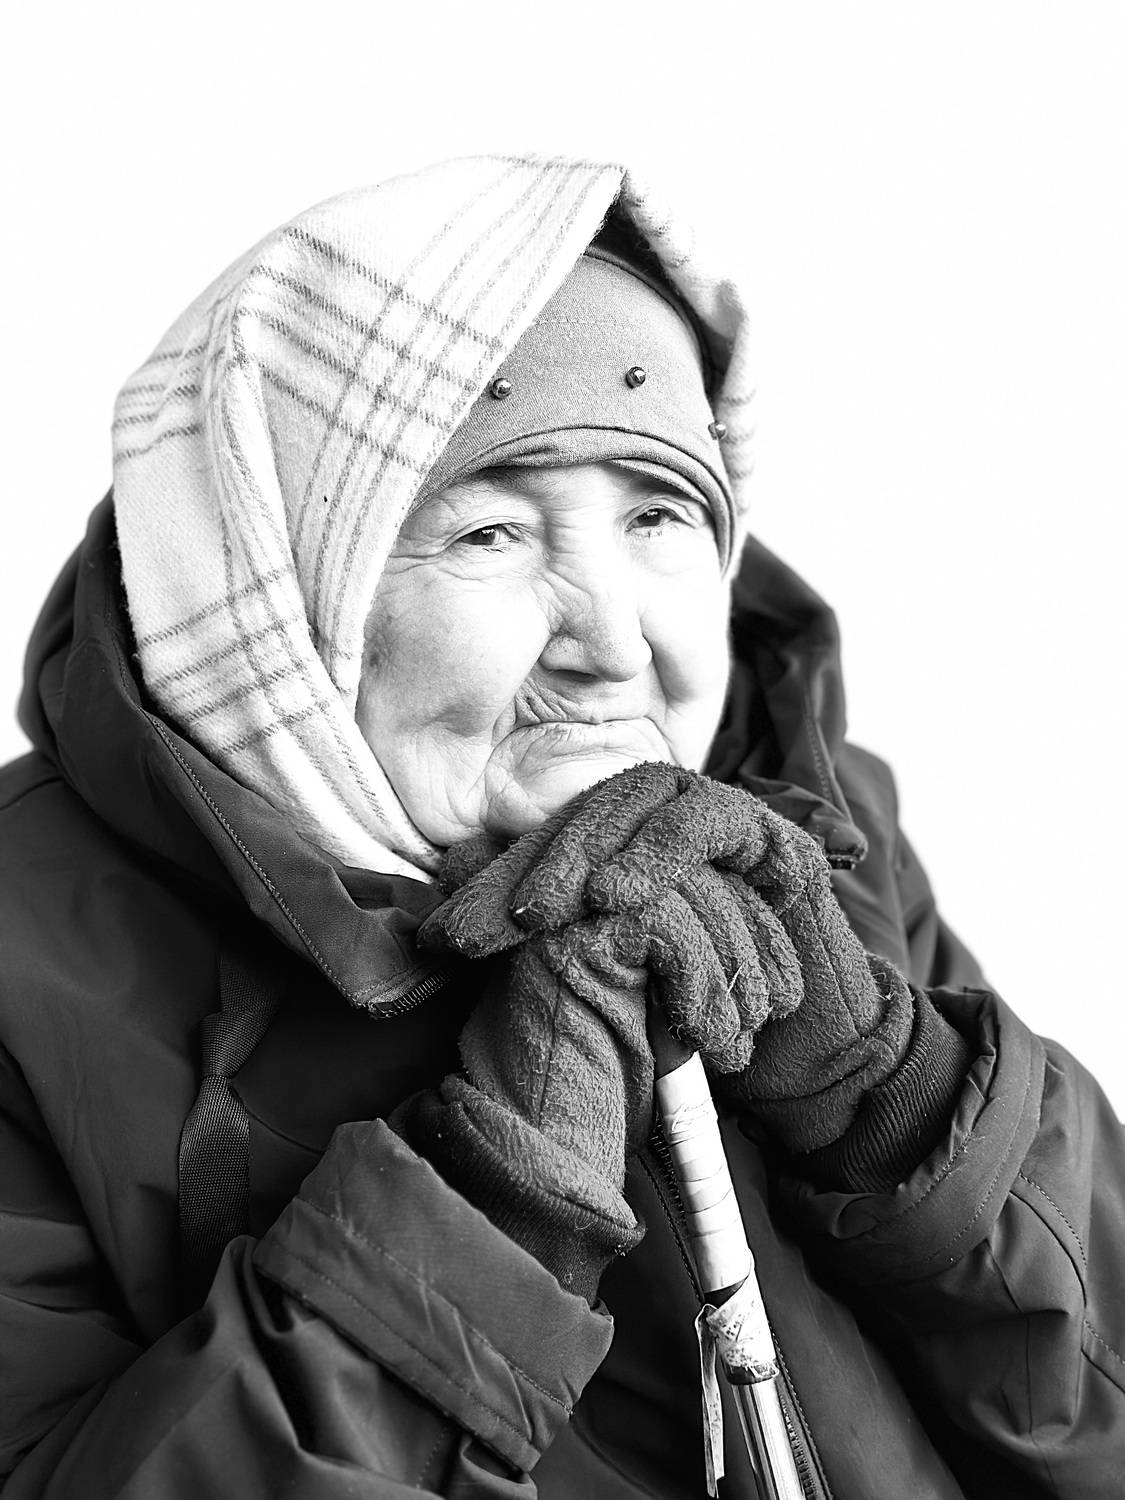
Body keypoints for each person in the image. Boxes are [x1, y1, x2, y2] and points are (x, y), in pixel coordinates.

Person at [0, 152, 1121, 1500]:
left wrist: (898, 1103)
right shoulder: (21, 959)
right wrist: (502, 1203)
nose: (613, 642)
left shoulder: (808, 829)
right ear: (284, 587)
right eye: (490, 533)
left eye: (657, 514)